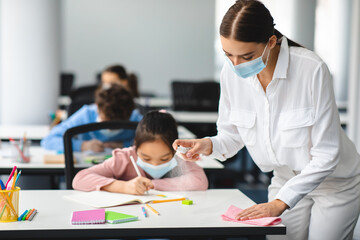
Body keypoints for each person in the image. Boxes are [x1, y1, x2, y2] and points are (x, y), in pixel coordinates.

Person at [173, 1, 360, 239]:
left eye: (246, 55)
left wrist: (281, 202)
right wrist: (208, 144)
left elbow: (327, 154)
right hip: (284, 177)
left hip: (334, 184)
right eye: (228, 55)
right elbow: (231, 136)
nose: (235, 65)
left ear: (271, 42)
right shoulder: (230, 73)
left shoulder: (311, 69)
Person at [72, 110, 208, 193]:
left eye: (164, 158)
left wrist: (153, 185)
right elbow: (80, 179)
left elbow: (200, 181)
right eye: (146, 158)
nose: (155, 164)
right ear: (135, 146)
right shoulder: (124, 158)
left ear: (175, 148)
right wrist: (123, 187)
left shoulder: (180, 157)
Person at [41, 84, 143, 152]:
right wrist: (83, 145)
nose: (111, 129)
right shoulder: (86, 115)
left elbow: (153, 142)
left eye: (116, 126)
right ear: (97, 108)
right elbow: (48, 140)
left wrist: (125, 145)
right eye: (106, 122)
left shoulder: (135, 118)